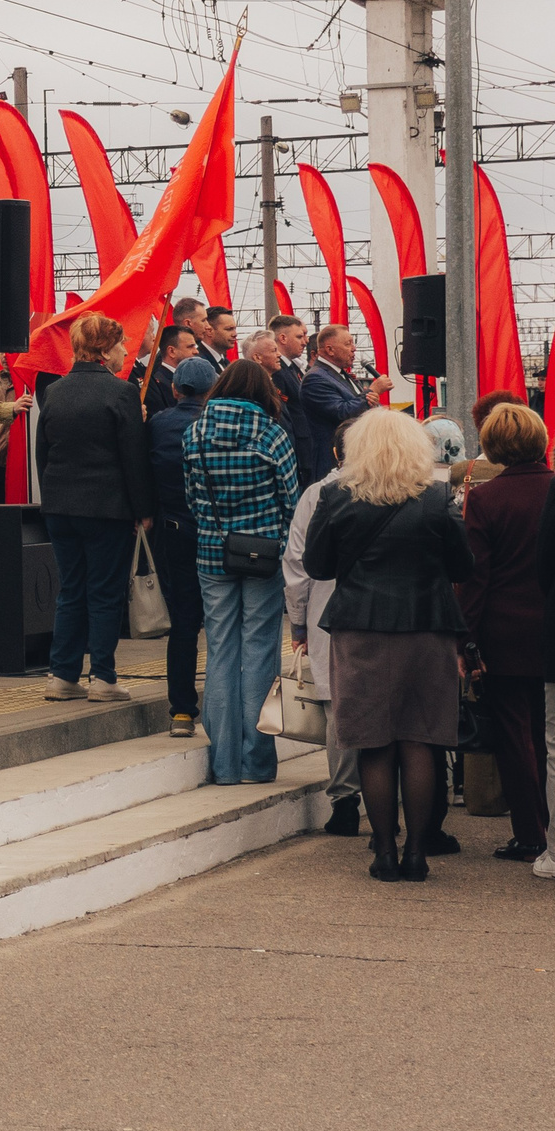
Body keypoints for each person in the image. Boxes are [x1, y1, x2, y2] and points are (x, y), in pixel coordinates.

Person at [305, 408, 476, 881]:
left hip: (360, 630)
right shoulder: (438, 497)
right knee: (421, 738)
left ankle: (383, 851)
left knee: (373, 741)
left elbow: (317, 565)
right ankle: (418, 853)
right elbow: (464, 567)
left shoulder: (335, 496)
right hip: (427, 629)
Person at [184, 359, 301, 786]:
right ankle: (256, 763)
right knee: (258, 654)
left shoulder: (195, 433)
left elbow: (193, 499)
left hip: (213, 554)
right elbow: (292, 498)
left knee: (220, 653)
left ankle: (224, 765)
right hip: (264, 555)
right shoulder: (272, 433)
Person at [37, 315, 153, 702]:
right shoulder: (121, 393)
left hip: (60, 506)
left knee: (71, 589)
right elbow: (132, 459)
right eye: (120, 344)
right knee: (104, 592)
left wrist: (51, 498)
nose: (124, 351)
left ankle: (63, 674)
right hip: (107, 508)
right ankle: (103, 677)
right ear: (104, 350)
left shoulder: (54, 391)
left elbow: (43, 454)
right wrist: (143, 508)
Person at [465, 403, 551, 862]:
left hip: (504, 635)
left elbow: (475, 578)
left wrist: (465, 640)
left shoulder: (484, 500)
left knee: (516, 736)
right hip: (549, 628)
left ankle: (532, 832)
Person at [285, 417, 365, 834]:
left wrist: (297, 622)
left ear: (335, 452)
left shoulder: (317, 494)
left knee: (338, 705)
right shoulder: (404, 490)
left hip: (326, 611)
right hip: (387, 613)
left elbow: (297, 565)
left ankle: (345, 800)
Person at [150, 356, 215, 738]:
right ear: (212, 392)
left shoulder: (158, 424)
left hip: (174, 532)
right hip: (219, 534)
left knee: (184, 624)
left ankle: (182, 712)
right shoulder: (216, 424)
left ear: (175, 390)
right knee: (223, 624)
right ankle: (225, 704)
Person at [294, 323, 373, 484]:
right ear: (330, 350)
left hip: (355, 459)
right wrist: (371, 393)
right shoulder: (315, 378)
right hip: (331, 462)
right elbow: (342, 412)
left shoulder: (341, 374)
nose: (354, 349)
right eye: (348, 343)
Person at [143, 323, 199, 416]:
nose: (196, 351)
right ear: (172, 351)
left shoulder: (190, 378)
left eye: (195, 346)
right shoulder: (159, 383)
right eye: (190, 346)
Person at [267, 314, 309, 419]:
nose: (305, 342)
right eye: (299, 337)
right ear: (283, 338)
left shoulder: (292, 367)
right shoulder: (276, 369)